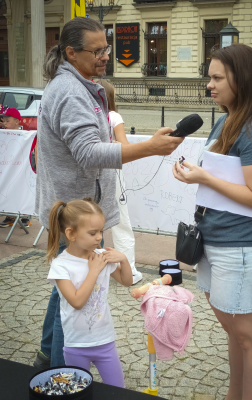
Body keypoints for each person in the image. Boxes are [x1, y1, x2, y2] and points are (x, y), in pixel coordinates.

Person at [33, 17, 183, 370]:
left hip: (78, 209)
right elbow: (89, 152)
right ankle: (60, 375)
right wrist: (150, 148)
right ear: (71, 52)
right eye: (97, 50)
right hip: (76, 216)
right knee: (74, 299)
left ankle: (44, 357)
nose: (105, 56)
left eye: (107, 48)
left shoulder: (80, 84)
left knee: (64, 286)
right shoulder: (70, 91)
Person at [172, 44, 252, 400]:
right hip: (216, 244)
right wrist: (195, 174)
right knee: (236, 335)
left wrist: (203, 177)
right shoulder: (225, 119)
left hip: (244, 249)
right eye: (210, 77)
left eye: (218, 78)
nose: (210, 85)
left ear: (242, 78)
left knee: (250, 338)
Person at [47, 198, 131, 387]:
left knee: (119, 390)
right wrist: (93, 271)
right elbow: (77, 301)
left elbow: (126, 281)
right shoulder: (61, 265)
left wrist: (124, 260)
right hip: (76, 345)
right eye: (93, 233)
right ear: (71, 234)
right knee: (79, 391)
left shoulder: (101, 256)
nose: (99, 237)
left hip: (105, 341)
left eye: (101, 231)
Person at [99, 79, 142, 285]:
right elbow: (124, 146)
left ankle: (90, 264)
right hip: (112, 172)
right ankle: (129, 270)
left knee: (88, 220)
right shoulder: (113, 115)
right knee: (121, 221)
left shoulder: (88, 114)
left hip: (91, 172)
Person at [0, 108, 31, 228]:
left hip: (21, 168)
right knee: (8, 189)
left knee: (20, 190)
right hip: (6, 167)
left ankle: (25, 216)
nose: (5, 124)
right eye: (3, 121)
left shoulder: (25, 135)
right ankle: (10, 215)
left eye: (7, 121)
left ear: (17, 121)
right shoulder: (2, 134)